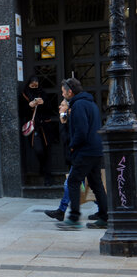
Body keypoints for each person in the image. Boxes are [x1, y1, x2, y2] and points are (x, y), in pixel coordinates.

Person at [56, 78, 108, 230]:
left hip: (85, 151)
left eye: (63, 91)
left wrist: (72, 146)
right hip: (96, 150)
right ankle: (105, 217)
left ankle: (73, 219)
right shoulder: (91, 103)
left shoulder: (78, 105)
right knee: (96, 183)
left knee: (73, 182)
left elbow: (81, 131)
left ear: (69, 91)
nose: (62, 94)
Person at [20, 76, 53, 186]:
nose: (34, 88)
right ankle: (42, 167)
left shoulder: (42, 94)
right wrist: (30, 106)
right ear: (28, 85)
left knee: (47, 151)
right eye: (32, 86)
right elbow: (22, 112)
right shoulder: (24, 95)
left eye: (36, 86)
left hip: (44, 126)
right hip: (34, 127)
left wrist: (42, 103)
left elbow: (49, 108)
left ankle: (47, 177)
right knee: (38, 150)